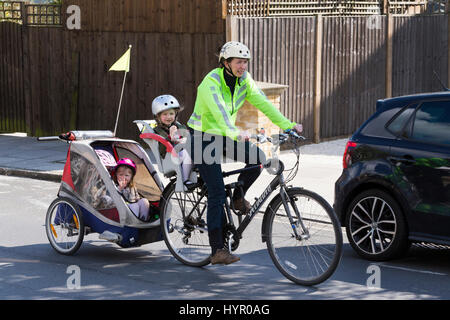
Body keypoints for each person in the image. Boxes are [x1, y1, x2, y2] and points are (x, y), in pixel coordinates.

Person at [186, 41, 304, 265]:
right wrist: (236, 133)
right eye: (239, 62)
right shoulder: (210, 83)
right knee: (217, 193)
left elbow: (264, 104)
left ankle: (238, 199)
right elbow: (220, 113)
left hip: (224, 136)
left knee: (258, 159)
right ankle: (218, 250)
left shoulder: (244, 81)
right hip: (202, 138)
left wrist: (287, 125)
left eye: (245, 62)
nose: (243, 66)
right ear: (226, 63)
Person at [152, 94, 193, 187]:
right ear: (158, 116)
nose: (169, 117)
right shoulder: (158, 131)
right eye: (165, 114)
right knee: (188, 153)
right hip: (169, 158)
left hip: (180, 154)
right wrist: (170, 138)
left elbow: (188, 136)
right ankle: (184, 179)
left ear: (176, 114)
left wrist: (185, 139)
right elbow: (161, 148)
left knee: (197, 149)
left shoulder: (178, 126)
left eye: (171, 113)